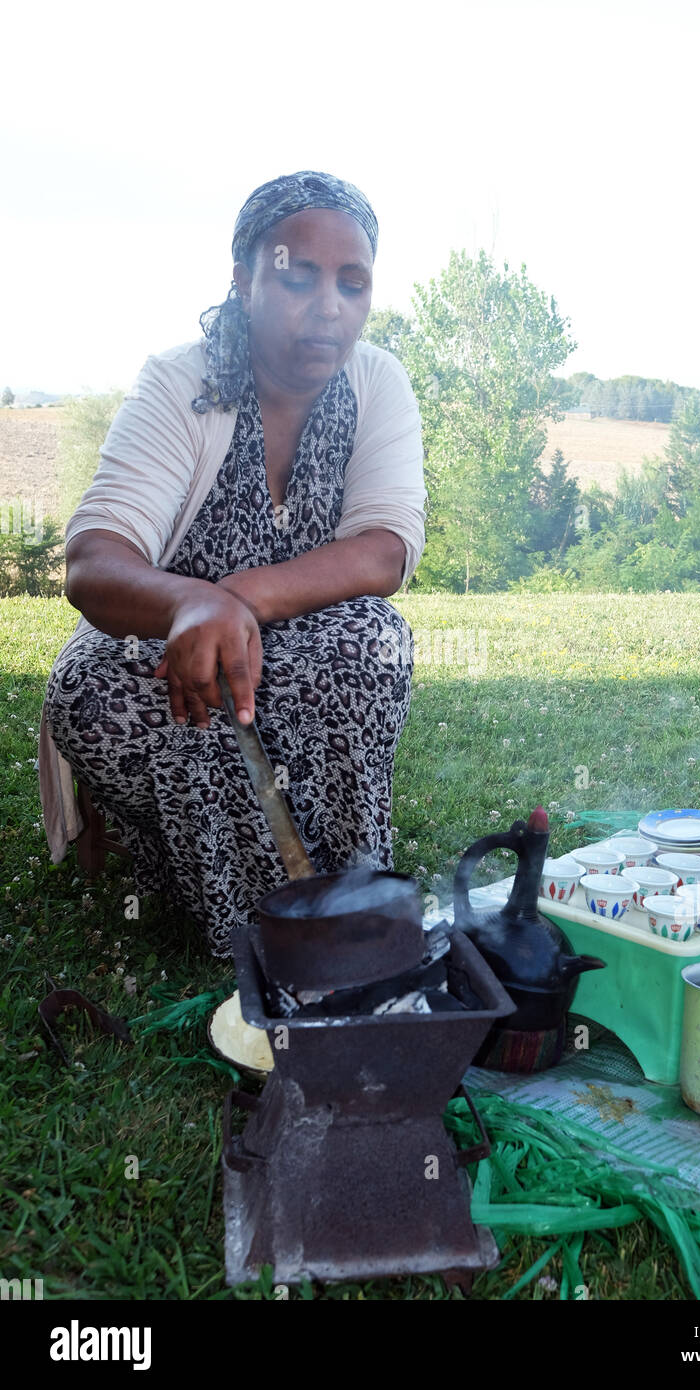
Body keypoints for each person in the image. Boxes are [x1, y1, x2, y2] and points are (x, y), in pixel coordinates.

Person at [39, 171, 426, 957]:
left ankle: (345, 890)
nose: (329, 306)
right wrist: (190, 608)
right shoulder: (183, 381)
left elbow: (385, 547)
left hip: (304, 634)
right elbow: (92, 562)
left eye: (353, 284)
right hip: (159, 645)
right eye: (297, 274)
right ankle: (237, 915)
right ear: (243, 280)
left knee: (371, 640)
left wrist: (236, 599)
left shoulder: (376, 380)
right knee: (90, 689)